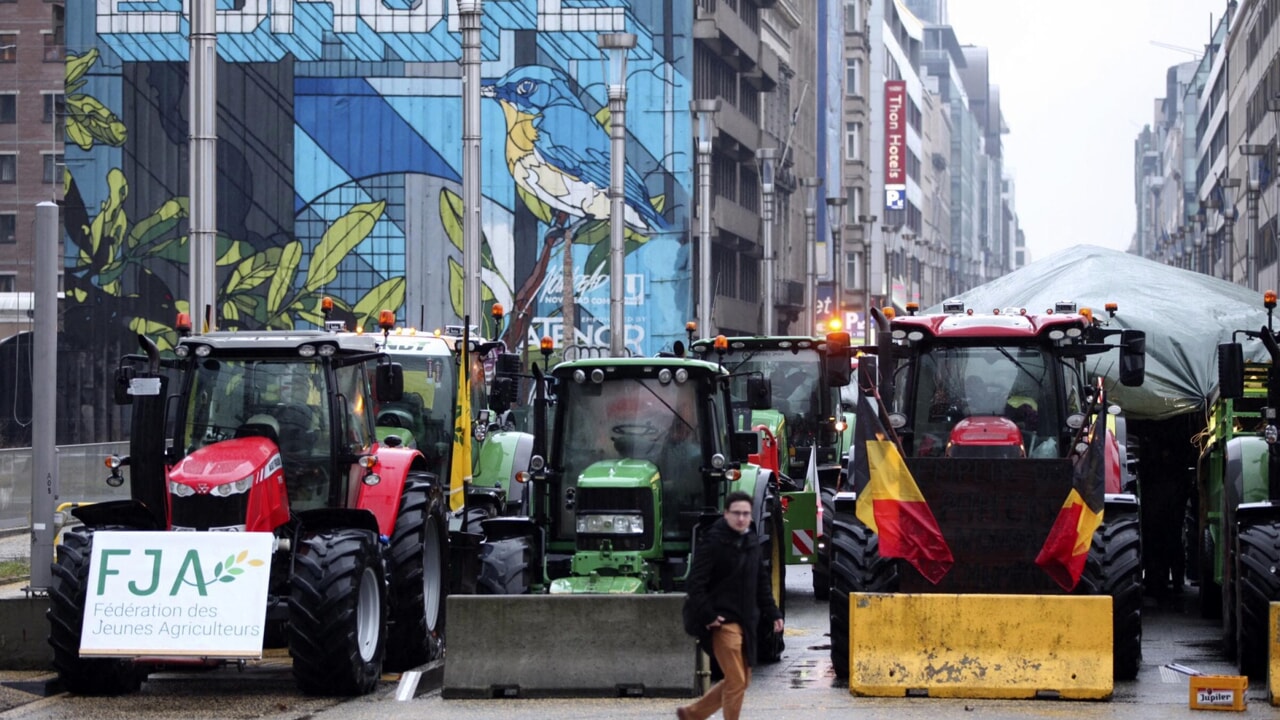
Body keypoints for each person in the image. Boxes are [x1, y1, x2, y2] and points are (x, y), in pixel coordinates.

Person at [677, 491, 784, 720]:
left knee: (742, 680)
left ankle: (692, 714)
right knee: (736, 680)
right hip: (722, 623)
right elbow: (695, 583)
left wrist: (773, 613)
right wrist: (708, 615)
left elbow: (761, 582)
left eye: (746, 514)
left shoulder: (751, 541)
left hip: (746, 621)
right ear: (726, 514)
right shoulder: (713, 542)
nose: (741, 518)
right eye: (736, 513)